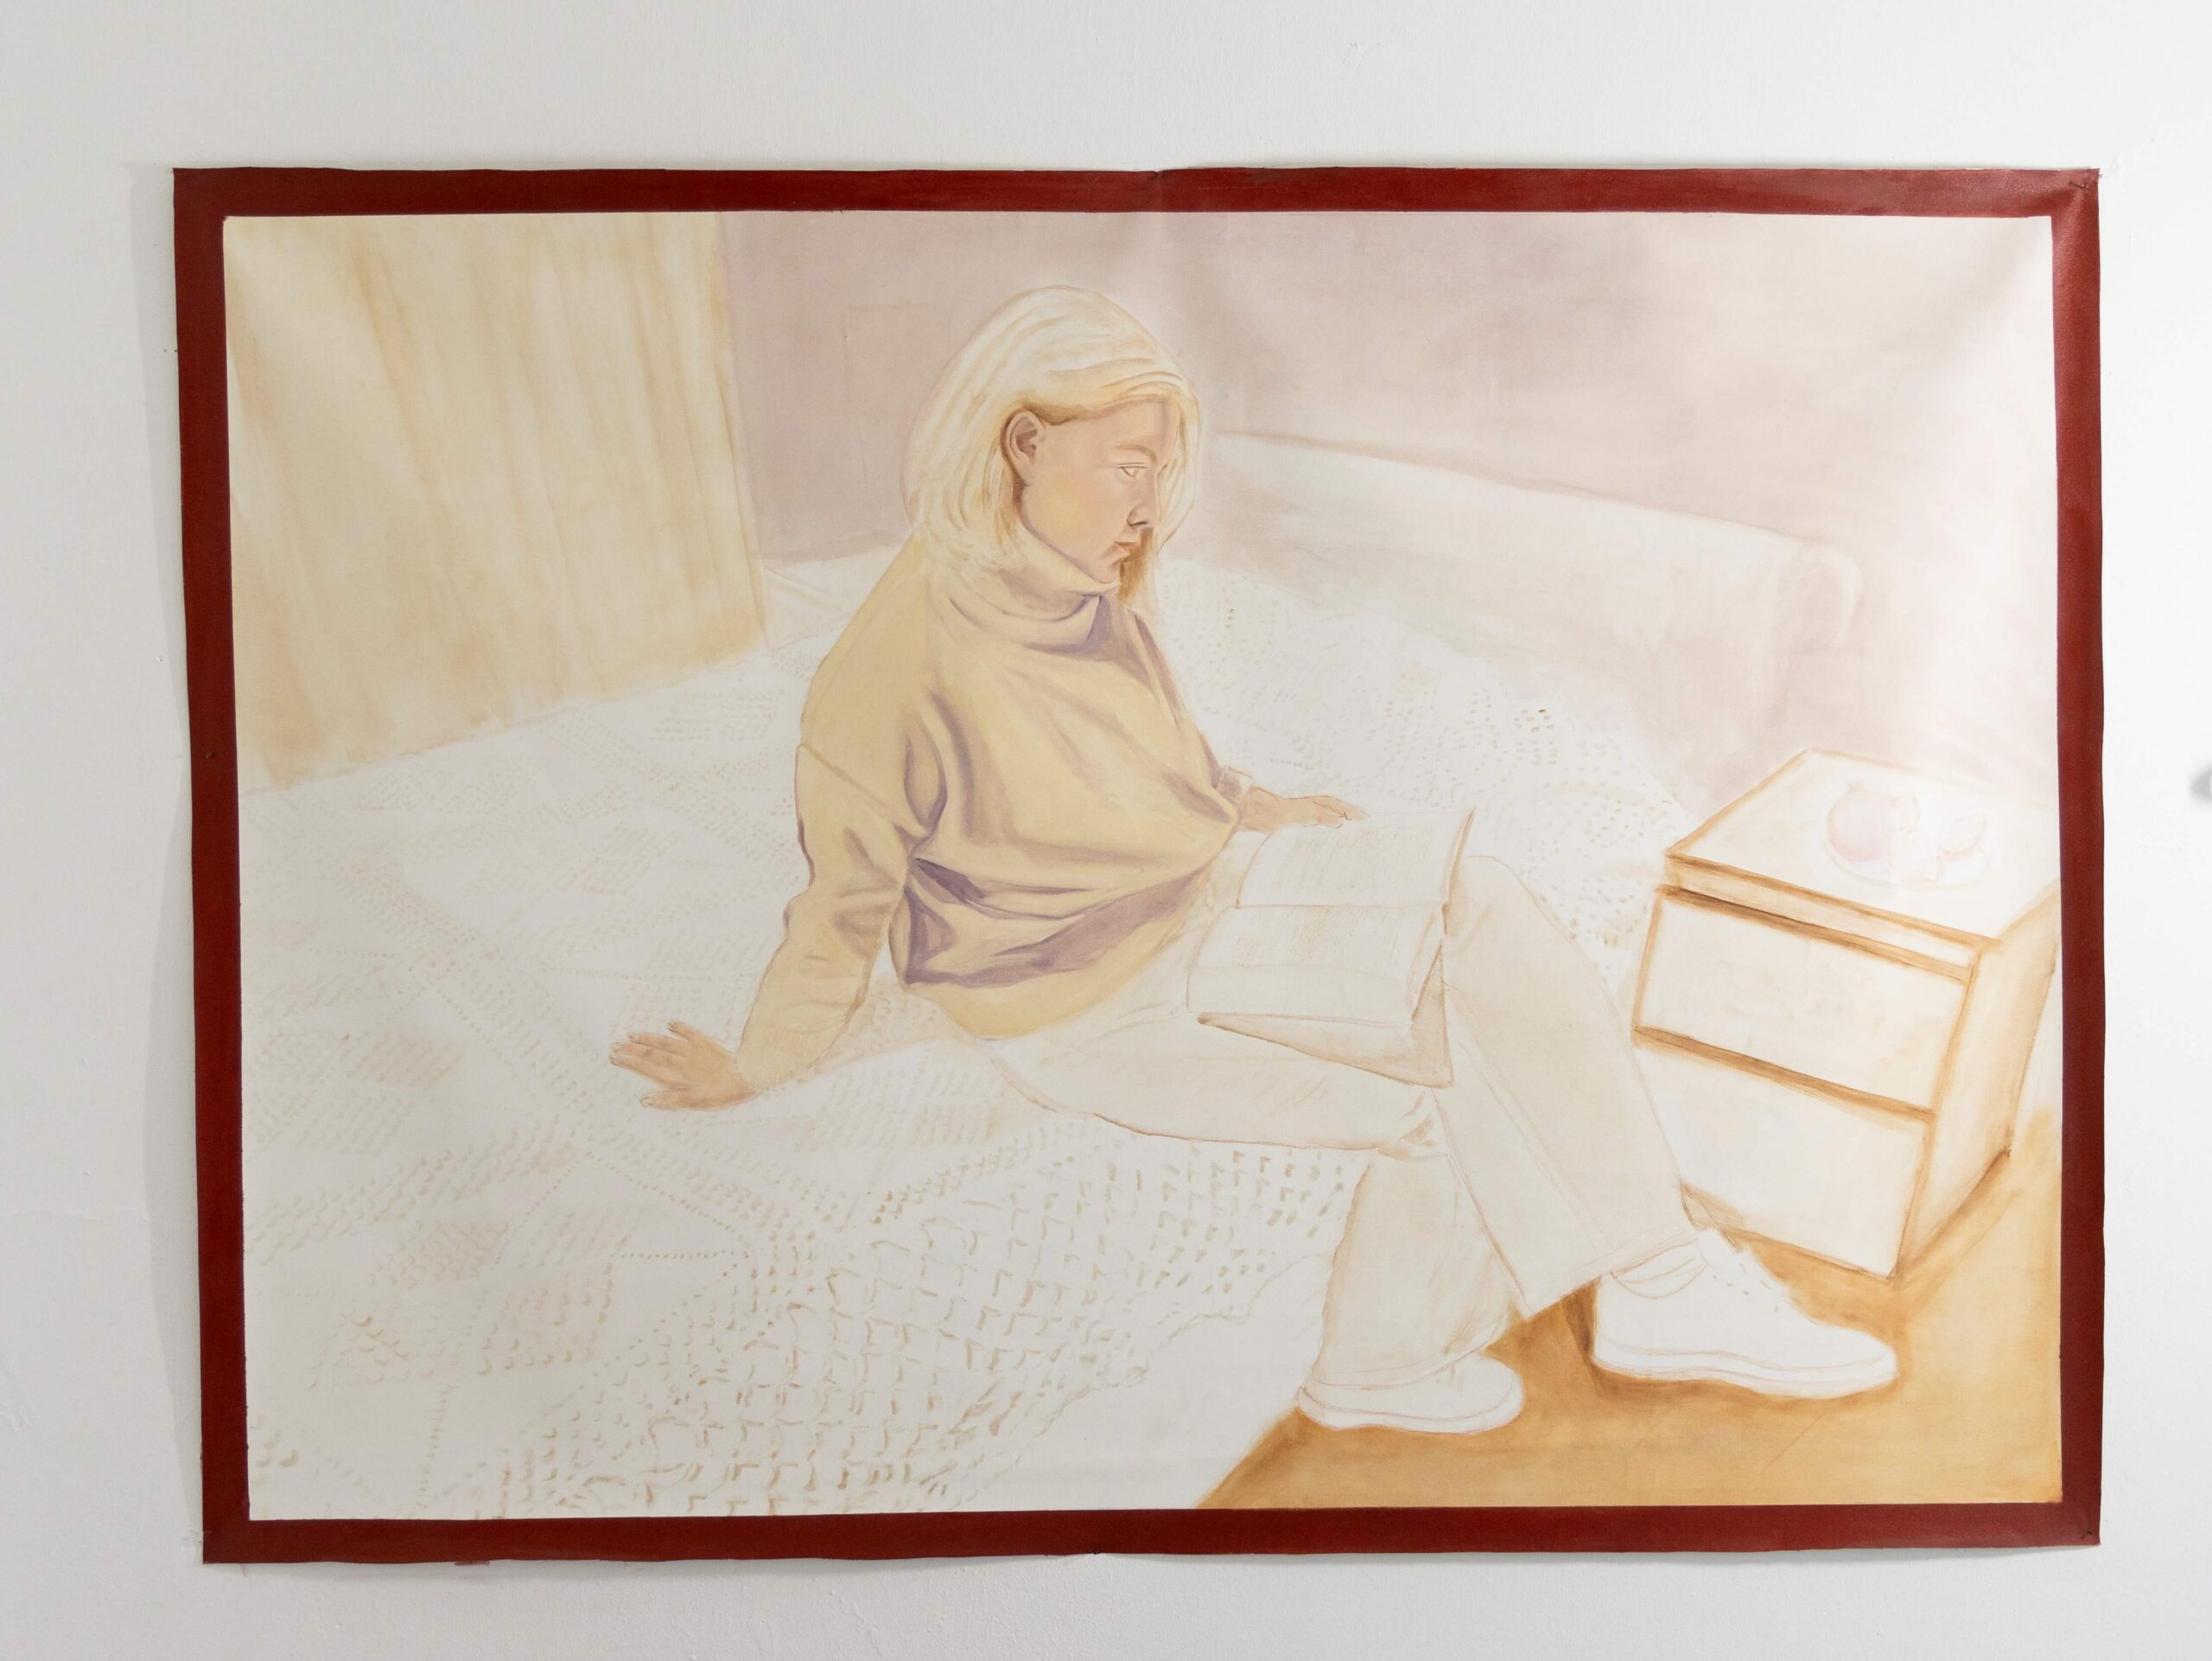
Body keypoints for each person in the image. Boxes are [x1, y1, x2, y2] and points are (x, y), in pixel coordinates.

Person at [611, 286, 1896, 1435]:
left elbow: (1149, 762)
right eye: (1126, 466)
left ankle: (1658, 1275)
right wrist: (757, 1061)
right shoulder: (891, 668)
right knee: (1426, 1082)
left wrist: (1253, 808)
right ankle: (1381, 1363)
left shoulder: (1079, 586)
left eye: (1158, 470)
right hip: (1073, 1003)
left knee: (1477, 899)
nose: (1146, 505)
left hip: (1195, 903)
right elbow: (840, 907)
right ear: (1022, 441)